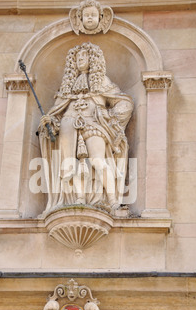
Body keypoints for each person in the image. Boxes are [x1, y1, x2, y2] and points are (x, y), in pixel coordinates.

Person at [38, 42, 134, 216]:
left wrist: (109, 118)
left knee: (98, 161)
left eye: (84, 56)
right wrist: (49, 121)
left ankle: (113, 202)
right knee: (69, 164)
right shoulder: (67, 86)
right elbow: (56, 112)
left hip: (94, 124)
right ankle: (79, 198)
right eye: (77, 57)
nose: (81, 59)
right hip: (68, 124)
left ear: (93, 59)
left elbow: (125, 103)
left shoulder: (102, 81)